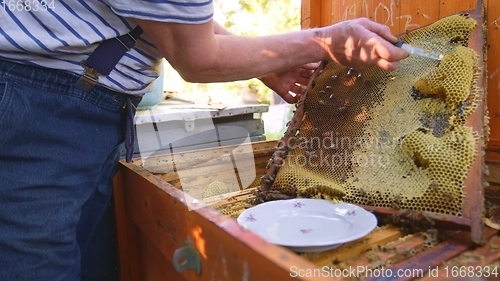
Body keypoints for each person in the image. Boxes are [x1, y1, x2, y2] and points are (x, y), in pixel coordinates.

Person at [0, 1, 408, 280]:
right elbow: (194, 54)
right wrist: (325, 41)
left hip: (66, 108)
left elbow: (165, 16)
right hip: (38, 110)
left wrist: (269, 68)